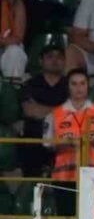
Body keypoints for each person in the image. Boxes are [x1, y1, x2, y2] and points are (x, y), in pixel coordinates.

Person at [45, 69, 94, 189]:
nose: (79, 88)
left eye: (82, 83)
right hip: (63, 177)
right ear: (68, 87)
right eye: (74, 84)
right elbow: (47, 144)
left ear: (88, 86)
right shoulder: (55, 114)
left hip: (92, 176)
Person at [20, 44, 65, 177]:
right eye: (50, 57)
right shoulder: (31, 84)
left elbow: (75, 113)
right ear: (41, 61)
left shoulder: (71, 85)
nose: (55, 60)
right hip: (35, 139)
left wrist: (42, 109)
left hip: (63, 137)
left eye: (59, 57)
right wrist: (62, 110)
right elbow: (30, 111)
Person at [0, 0, 25, 79]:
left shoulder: (16, 4)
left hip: (8, 46)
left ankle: (13, 87)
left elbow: (18, 38)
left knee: (15, 52)